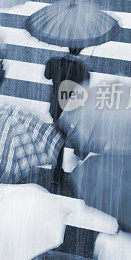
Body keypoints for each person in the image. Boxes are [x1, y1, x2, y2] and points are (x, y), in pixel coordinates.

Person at [44, 48, 90, 190]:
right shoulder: (82, 69)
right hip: (72, 110)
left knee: (59, 138)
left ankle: (56, 174)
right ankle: (76, 159)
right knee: (70, 134)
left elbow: (47, 75)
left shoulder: (54, 62)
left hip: (57, 108)